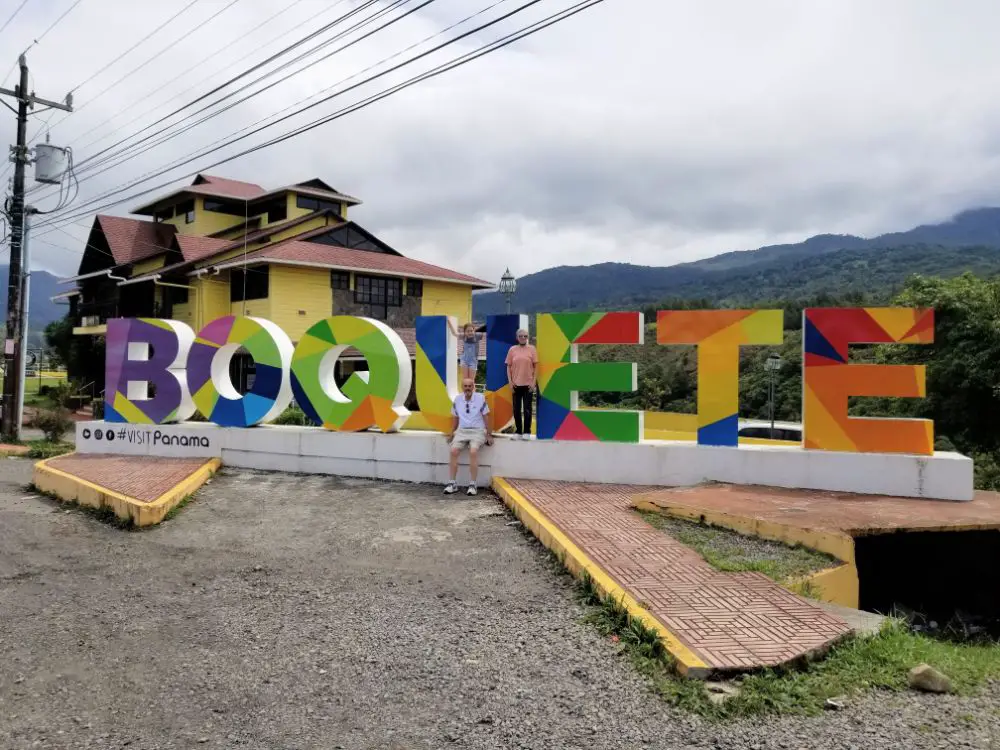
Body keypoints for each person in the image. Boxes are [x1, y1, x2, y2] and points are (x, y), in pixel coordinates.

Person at [444, 377, 493, 495]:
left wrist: (489, 434)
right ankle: (452, 483)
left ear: (473, 387)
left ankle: (472, 484)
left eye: (470, 386)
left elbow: (486, 416)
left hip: (477, 431)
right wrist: (452, 432)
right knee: (453, 451)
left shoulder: (480, 398)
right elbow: (455, 417)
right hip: (462, 431)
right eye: (465, 386)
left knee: (473, 451)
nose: (467, 388)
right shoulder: (457, 399)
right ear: (462, 387)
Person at [504, 328, 537, 440]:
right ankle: (518, 432)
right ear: (517, 337)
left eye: (525, 336)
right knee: (516, 409)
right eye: (521, 336)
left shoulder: (532, 349)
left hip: (528, 384)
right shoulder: (512, 349)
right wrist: (510, 382)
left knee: (528, 409)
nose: (523, 338)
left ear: (528, 337)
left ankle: (527, 431)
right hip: (516, 384)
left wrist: (533, 383)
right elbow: (508, 367)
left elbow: (536, 367)